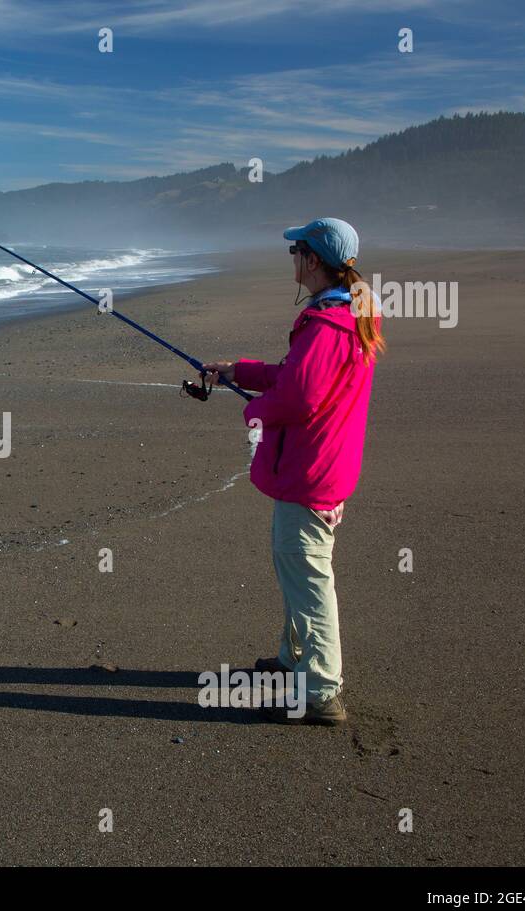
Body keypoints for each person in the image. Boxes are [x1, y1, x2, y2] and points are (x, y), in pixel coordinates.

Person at [205, 218, 384, 726]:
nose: (292, 260)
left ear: (312, 260)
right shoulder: (350, 313)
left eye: (295, 251)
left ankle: (322, 690)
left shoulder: (329, 324)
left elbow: (301, 396)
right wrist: (238, 372)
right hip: (325, 465)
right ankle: (293, 660)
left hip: (311, 471)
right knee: (295, 566)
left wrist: (253, 412)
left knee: (307, 575)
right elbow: (297, 376)